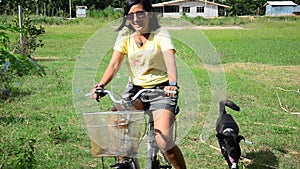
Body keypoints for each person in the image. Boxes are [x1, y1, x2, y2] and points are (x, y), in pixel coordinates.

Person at [91, 0, 186, 168]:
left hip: (162, 89)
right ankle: (125, 161)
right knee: (116, 118)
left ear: (150, 14)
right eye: (131, 15)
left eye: (140, 13)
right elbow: (114, 64)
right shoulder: (125, 35)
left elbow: (169, 59)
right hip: (136, 90)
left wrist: (172, 83)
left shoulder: (160, 34)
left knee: (163, 141)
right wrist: (101, 85)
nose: (136, 18)